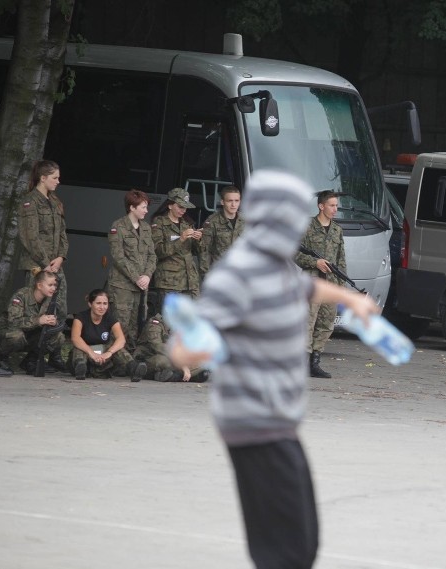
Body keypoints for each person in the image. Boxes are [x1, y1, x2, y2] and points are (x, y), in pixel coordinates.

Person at [167, 170, 379, 569]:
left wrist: (353, 301)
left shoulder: (275, 266)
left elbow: (308, 287)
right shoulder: (238, 274)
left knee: (301, 537)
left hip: (278, 421)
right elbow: (183, 349)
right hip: (254, 422)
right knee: (286, 545)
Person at [17, 160, 69, 369]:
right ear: (43, 177)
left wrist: (61, 257)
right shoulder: (30, 202)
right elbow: (30, 237)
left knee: (60, 310)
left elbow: (63, 233)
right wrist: (46, 262)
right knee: (38, 312)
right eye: (55, 177)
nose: (58, 181)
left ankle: (53, 355)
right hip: (38, 266)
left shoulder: (55, 202)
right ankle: (31, 358)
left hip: (56, 266)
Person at [294, 190, 347, 379]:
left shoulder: (337, 230)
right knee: (307, 322)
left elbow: (341, 260)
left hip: (330, 284)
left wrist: (341, 287)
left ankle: (314, 362)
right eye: (332, 205)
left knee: (326, 323)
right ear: (321, 206)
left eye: (336, 206)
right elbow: (294, 253)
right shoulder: (307, 227)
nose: (335, 209)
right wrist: (314, 262)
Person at [107, 189, 157, 351]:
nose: (146, 210)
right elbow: (118, 257)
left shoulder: (146, 228)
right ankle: (114, 360)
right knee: (120, 325)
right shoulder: (118, 227)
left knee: (136, 325)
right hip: (122, 286)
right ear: (132, 207)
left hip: (141, 287)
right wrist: (136, 277)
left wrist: (147, 276)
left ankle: (129, 362)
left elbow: (152, 255)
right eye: (143, 207)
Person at [0, 270, 66, 376]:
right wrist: (38, 320)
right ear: (39, 285)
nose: (53, 288)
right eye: (50, 285)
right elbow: (14, 323)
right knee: (16, 336)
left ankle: (30, 361)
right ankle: (1, 358)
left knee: (58, 336)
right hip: (7, 334)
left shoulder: (50, 300)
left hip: (30, 334)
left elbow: (52, 322)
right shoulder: (21, 295)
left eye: (55, 285)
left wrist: (52, 322)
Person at [70, 289, 146, 381]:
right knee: (78, 348)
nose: (102, 307)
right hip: (86, 353)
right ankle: (81, 369)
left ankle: (134, 368)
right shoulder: (80, 317)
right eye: (98, 303)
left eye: (105, 304)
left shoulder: (110, 318)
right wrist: (91, 353)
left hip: (102, 354)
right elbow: (75, 338)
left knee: (117, 347)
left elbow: (121, 339)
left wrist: (109, 353)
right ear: (90, 304)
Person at [149, 188, 202, 317]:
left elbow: (197, 251)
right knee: (169, 321)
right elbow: (158, 251)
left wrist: (199, 240)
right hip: (169, 282)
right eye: (180, 207)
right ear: (170, 205)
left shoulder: (187, 223)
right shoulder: (159, 223)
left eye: (185, 208)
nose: (183, 210)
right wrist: (181, 238)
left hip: (190, 282)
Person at [133, 313, 209, 382]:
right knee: (163, 361)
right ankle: (180, 376)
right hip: (148, 357)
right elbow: (157, 346)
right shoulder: (155, 324)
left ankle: (174, 375)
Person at [199, 185, 244, 279]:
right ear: (222, 202)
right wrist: (206, 276)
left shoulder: (247, 221)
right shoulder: (212, 222)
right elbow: (205, 251)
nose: (233, 205)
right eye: (230, 201)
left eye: (236, 201)